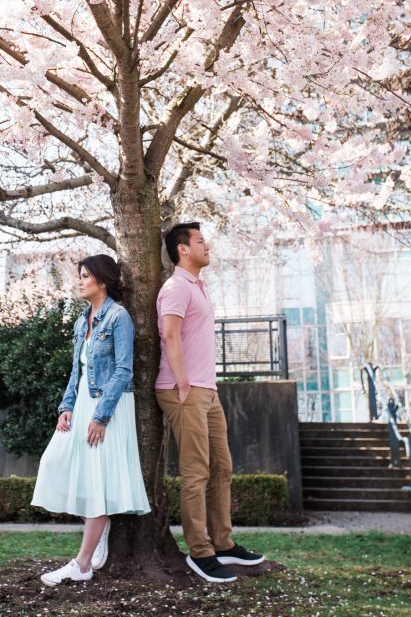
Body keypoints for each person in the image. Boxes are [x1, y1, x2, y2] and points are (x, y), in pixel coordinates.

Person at [155, 222, 266, 584]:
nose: (208, 246)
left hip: (208, 391)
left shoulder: (199, 288)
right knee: (196, 472)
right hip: (182, 390)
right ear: (182, 249)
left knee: (222, 468)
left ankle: (223, 543)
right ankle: (200, 553)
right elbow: (169, 335)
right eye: (201, 241)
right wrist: (184, 382)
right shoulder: (174, 288)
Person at [32, 254, 150, 586]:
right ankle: (99, 528)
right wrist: (66, 406)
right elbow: (78, 369)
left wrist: (101, 416)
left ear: (101, 280)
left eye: (85, 275)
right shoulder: (82, 321)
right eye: (79, 275)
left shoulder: (118, 317)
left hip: (108, 405)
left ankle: (81, 565)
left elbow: (124, 369)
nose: (80, 281)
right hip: (83, 401)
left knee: (96, 479)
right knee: (56, 462)